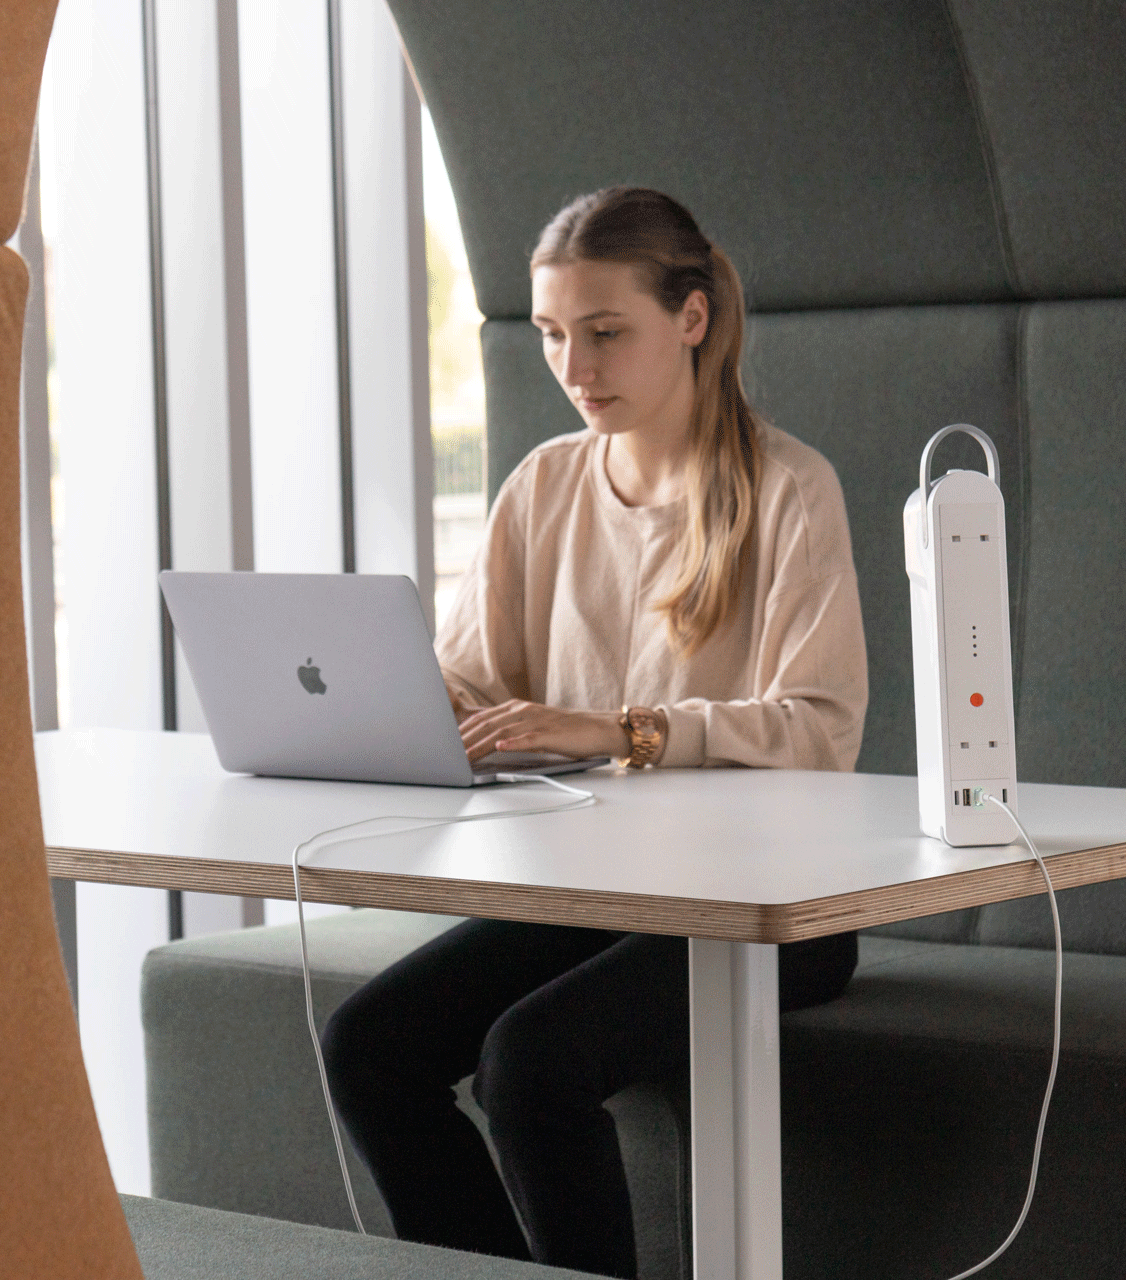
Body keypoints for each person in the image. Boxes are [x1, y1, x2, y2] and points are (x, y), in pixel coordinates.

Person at [320, 187, 868, 1278]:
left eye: (606, 332)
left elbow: (819, 727)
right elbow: (475, 680)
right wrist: (384, 702)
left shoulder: (790, 488)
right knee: (369, 1045)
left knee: (529, 1062)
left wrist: (621, 728)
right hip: (591, 893)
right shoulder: (544, 483)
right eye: (555, 336)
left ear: (693, 318)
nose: (576, 366)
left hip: (771, 909)